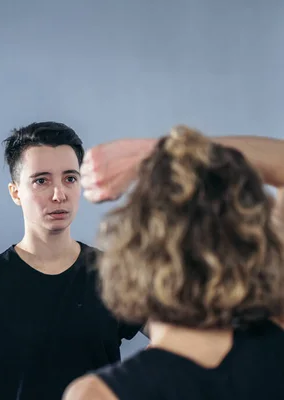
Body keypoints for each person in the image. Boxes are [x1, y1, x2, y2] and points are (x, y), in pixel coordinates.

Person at [63, 125, 284, 400]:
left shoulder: (100, 394)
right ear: (249, 252)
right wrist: (160, 151)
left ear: (131, 254)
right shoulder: (277, 336)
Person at [0, 122, 144, 400]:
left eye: (70, 178)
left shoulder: (112, 273)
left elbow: (177, 337)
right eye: (42, 180)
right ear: (16, 192)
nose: (59, 194)